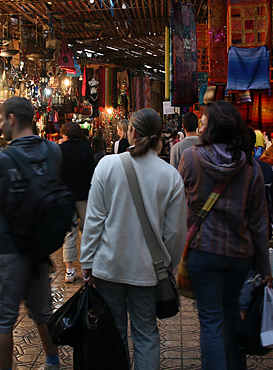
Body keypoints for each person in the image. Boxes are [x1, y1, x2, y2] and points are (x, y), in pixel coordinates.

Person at [80, 108, 187, 370]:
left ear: (132, 133)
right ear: (158, 137)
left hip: (109, 266)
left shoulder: (107, 165)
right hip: (148, 271)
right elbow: (175, 232)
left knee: (114, 332)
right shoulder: (170, 175)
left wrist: (87, 260)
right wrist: (167, 264)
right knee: (146, 333)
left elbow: (94, 220)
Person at [0, 97, 62, 370]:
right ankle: (53, 363)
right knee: (43, 312)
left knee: (1, 320)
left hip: (7, 247)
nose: (0, 125)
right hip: (39, 248)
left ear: (12, 120)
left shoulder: (3, 159)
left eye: (1, 119)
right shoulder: (53, 151)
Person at [178, 100, 271, 370]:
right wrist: (264, 266)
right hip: (240, 254)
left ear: (212, 127)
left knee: (210, 320)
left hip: (203, 251)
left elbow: (177, 202)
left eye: (204, 121)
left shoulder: (191, 158)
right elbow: (259, 221)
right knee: (231, 312)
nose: (202, 125)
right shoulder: (251, 167)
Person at [58, 122, 95, 283]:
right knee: (87, 232)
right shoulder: (86, 149)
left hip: (66, 198)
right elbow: (91, 174)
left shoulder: (59, 150)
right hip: (84, 197)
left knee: (68, 233)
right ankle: (88, 267)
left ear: (65, 134)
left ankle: (70, 270)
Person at [247, 128, 273, 248]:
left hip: (237, 232)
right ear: (254, 148)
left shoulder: (231, 170)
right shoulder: (266, 170)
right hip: (262, 229)